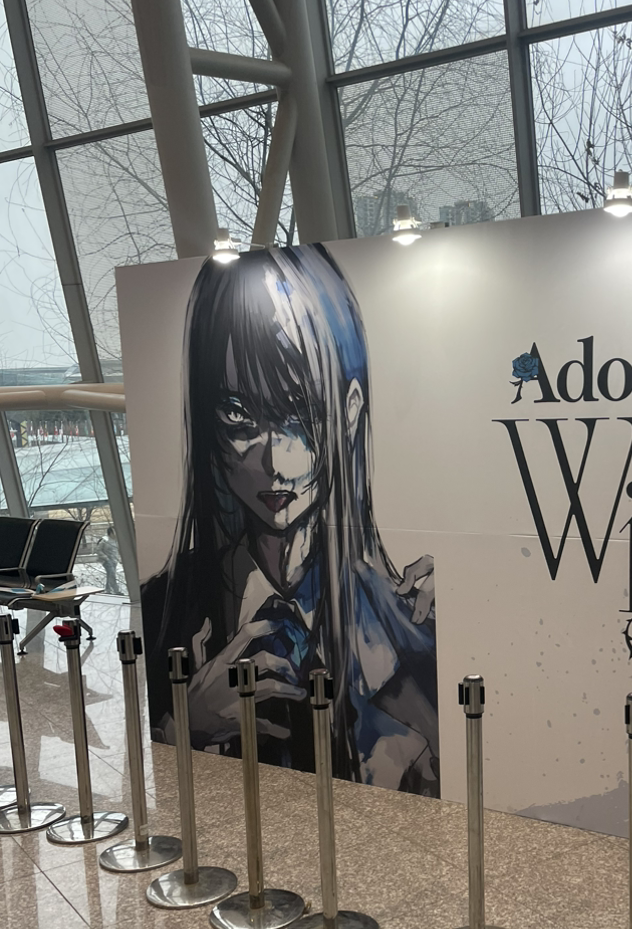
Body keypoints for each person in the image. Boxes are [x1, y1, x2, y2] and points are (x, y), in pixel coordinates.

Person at [142, 244, 439, 796]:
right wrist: (184, 728)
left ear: (349, 411)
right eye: (238, 415)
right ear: (206, 421)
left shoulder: (407, 626)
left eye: (300, 413)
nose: (274, 461)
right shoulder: (162, 611)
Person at [97, 526, 121, 595]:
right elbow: (98, 550)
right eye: (114, 532)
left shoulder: (116, 540)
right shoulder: (105, 540)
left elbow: (117, 550)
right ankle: (116, 590)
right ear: (110, 533)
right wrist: (105, 558)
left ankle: (108, 590)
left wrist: (119, 559)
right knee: (112, 574)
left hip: (114, 560)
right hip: (106, 561)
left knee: (110, 574)